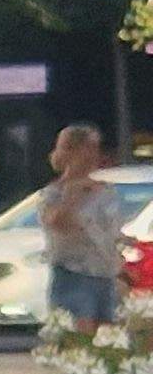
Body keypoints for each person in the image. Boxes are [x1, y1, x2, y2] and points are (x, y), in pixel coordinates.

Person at [39, 123, 128, 331]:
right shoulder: (54, 194)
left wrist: (120, 266)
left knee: (110, 341)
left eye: (96, 148)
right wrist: (72, 194)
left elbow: (111, 231)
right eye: (89, 148)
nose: (94, 155)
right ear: (74, 151)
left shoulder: (106, 192)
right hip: (74, 275)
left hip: (106, 275)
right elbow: (59, 225)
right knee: (81, 341)